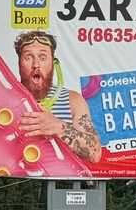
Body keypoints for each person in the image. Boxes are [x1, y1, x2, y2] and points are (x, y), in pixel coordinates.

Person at [13, 31, 102, 163]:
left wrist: (57, 126)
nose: (36, 65)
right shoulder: (4, 98)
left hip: (61, 182)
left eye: (43, 57)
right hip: (15, 181)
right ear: (19, 63)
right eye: (28, 57)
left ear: (53, 63)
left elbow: (94, 153)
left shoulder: (73, 100)